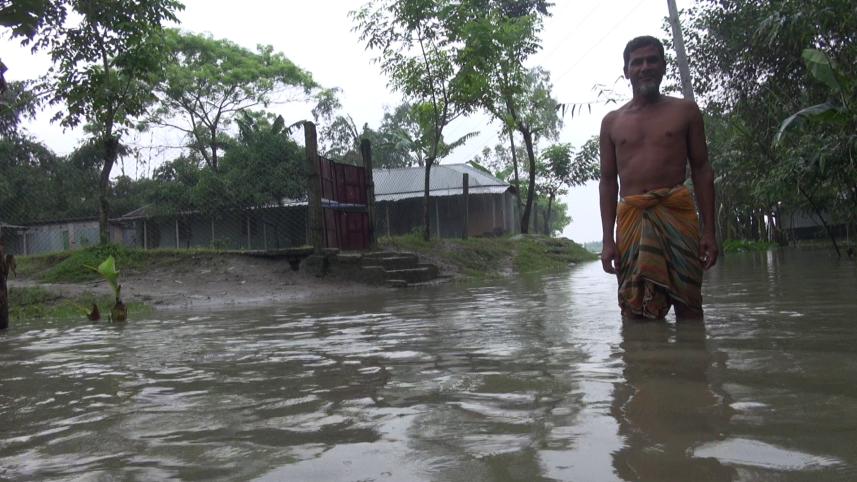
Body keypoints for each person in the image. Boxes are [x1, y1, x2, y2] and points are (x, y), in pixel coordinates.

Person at [599, 35, 718, 321]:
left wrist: (709, 232)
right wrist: (607, 240)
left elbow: (702, 170)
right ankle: (643, 363)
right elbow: (607, 181)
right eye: (637, 62)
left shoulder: (685, 112)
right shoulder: (612, 122)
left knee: (689, 307)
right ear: (626, 71)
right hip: (631, 219)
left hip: (677, 214)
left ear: (664, 66)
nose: (645, 67)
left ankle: (693, 363)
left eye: (652, 60)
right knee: (634, 309)